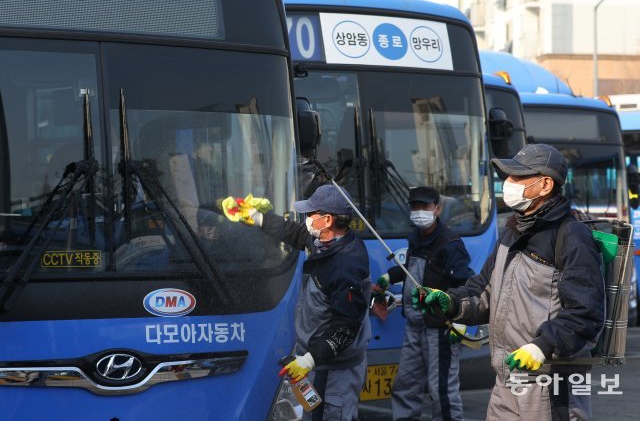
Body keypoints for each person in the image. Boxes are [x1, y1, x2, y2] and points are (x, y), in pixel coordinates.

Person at [414, 144, 605, 420]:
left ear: (545, 184)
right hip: (506, 382)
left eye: (518, 177)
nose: (508, 184)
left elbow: (585, 314)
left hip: (549, 388)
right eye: (508, 176)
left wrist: (541, 346)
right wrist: (452, 303)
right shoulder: (513, 231)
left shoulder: (571, 236)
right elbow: (483, 291)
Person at [224, 184, 371, 420]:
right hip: (319, 364)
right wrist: (257, 218)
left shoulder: (346, 265)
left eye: (312, 213)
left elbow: (346, 326)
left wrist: (309, 360)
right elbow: (295, 233)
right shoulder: (326, 241)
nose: (307, 218)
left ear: (327, 220)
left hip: (334, 370)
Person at [376, 186, 474, 421]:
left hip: (440, 328)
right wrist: (389, 277)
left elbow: (465, 283)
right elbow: (411, 271)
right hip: (414, 326)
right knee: (406, 385)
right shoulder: (416, 239)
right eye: (415, 207)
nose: (419, 211)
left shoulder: (450, 243)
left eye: (425, 207)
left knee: (441, 390)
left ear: (437, 209)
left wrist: (460, 322)